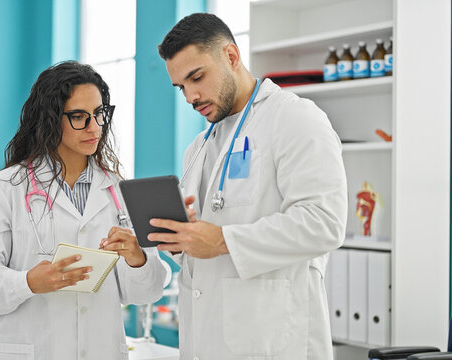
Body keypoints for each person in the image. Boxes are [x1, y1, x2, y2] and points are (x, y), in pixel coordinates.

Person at [149, 13, 348, 359]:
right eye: (181, 87)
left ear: (231, 56)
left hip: (272, 341)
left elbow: (325, 223)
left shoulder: (295, 118)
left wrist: (223, 240)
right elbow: (205, 253)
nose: (190, 96)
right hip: (205, 339)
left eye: (197, 77)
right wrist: (179, 241)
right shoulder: (198, 148)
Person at [0, 61, 166, 360]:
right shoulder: (4, 189)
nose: (94, 127)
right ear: (50, 119)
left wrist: (137, 260)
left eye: (100, 114)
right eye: (79, 117)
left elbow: (145, 294)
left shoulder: (119, 192)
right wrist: (26, 283)